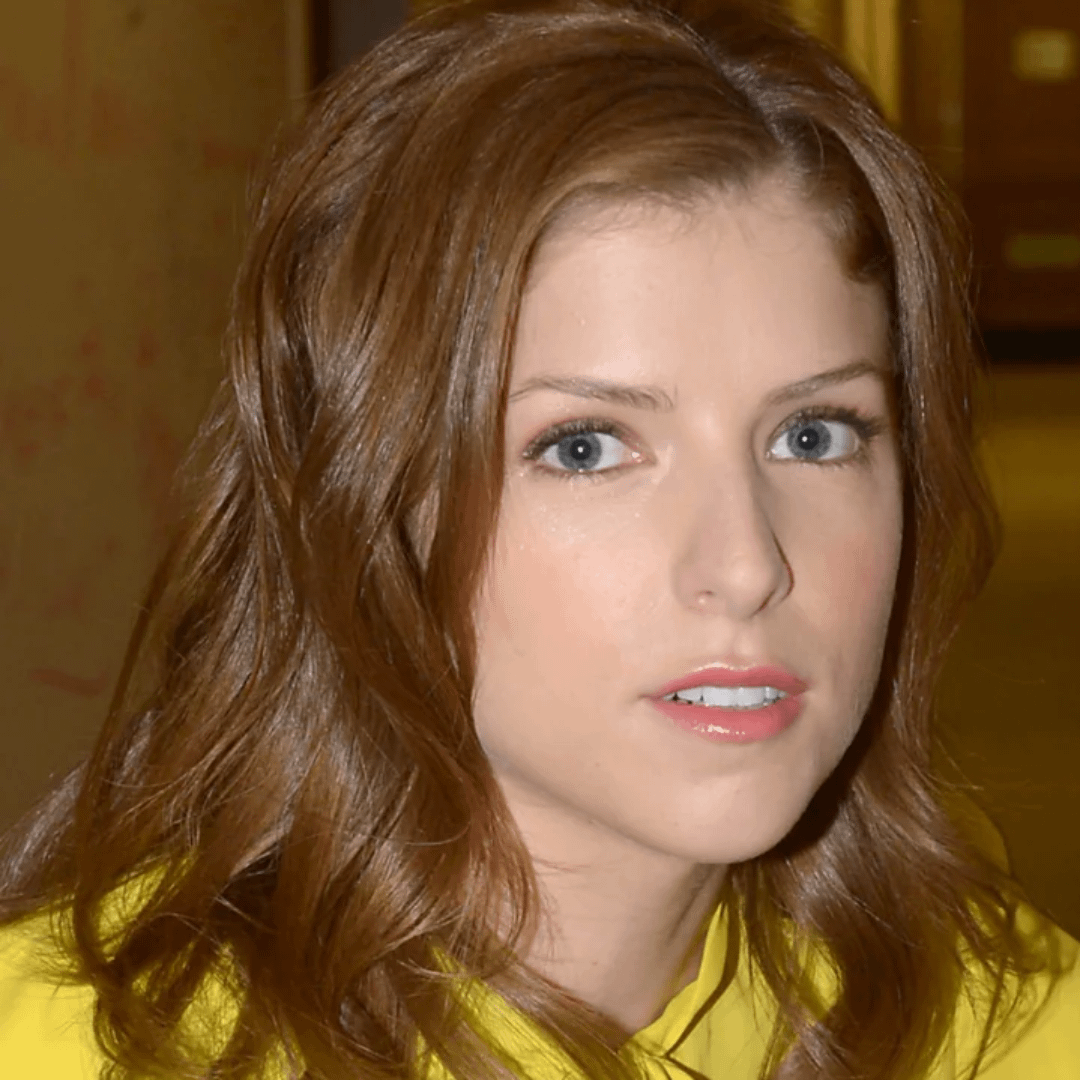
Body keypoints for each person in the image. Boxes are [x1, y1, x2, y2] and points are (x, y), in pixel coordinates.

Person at [1, 1, 1077, 1077]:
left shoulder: (1011, 1032)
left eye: (814, 434)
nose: (748, 565)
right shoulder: (80, 1048)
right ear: (367, 503)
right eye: (587, 448)